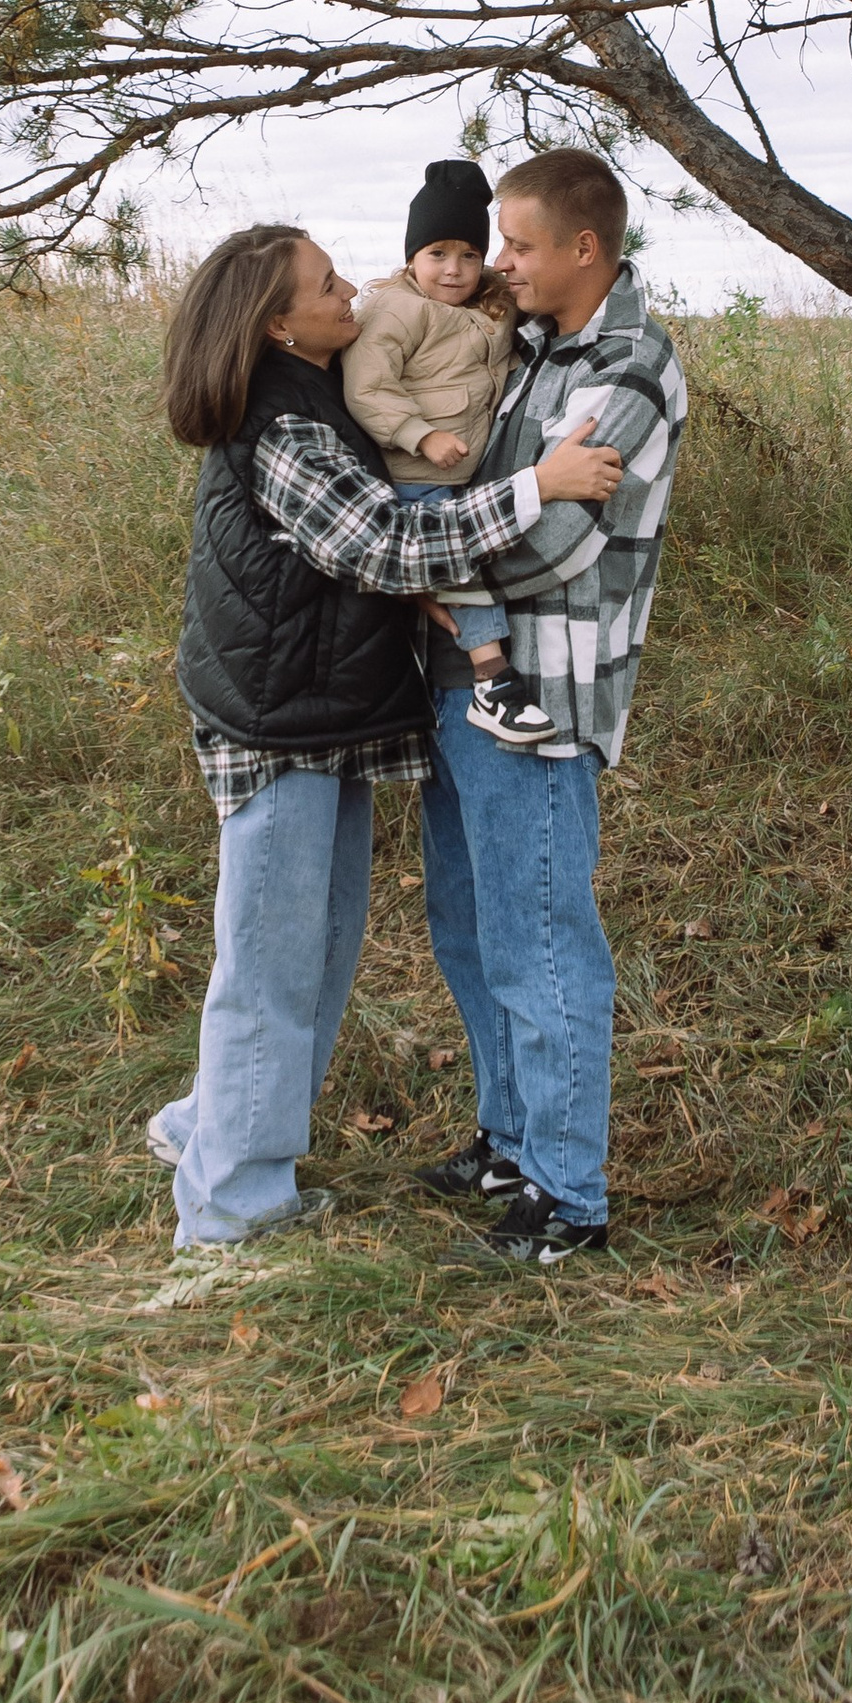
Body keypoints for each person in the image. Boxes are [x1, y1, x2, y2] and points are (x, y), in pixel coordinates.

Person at [147, 223, 624, 1249]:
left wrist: (429, 605)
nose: (350, 290)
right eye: (325, 285)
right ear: (278, 324)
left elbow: (354, 547)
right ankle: (227, 1209)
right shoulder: (284, 422)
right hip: (280, 724)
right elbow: (385, 538)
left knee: (309, 954)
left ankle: (207, 1128)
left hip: (327, 709)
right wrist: (540, 484)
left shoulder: (322, 389)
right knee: (272, 966)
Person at [413, 149, 687, 1268]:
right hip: (460, 680)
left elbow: (556, 539)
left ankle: (569, 1200)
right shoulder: (528, 348)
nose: (499, 261)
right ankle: (510, 1142)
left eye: (518, 244)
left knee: (539, 941)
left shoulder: (624, 367)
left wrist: (427, 563)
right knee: (470, 931)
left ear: (585, 247)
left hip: (543, 694)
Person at [340, 158, 554, 750]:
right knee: (459, 563)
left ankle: (435, 680)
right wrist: (419, 434)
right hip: (415, 474)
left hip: (465, 473)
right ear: (411, 256)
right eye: (437, 254)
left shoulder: (491, 304)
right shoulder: (394, 310)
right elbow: (367, 388)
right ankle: (492, 679)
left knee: (465, 564)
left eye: (467, 254)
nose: (453, 270)